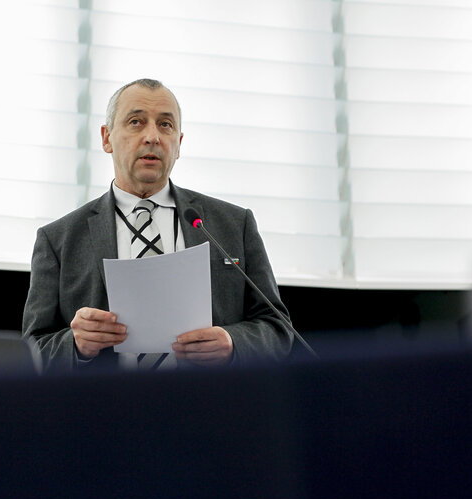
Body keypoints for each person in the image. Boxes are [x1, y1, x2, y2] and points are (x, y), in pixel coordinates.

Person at [22, 78, 293, 374]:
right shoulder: (58, 240)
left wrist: (232, 343)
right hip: (106, 411)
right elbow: (32, 350)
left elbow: (277, 329)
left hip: (208, 409)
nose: (152, 136)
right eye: (136, 122)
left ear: (178, 144)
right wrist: (75, 345)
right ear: (106, 138)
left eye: (165, 125)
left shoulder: (232, 224)